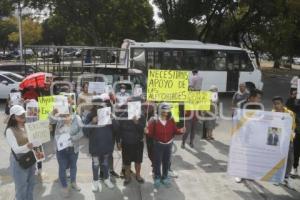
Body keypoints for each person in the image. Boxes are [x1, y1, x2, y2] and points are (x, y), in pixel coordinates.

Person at [145, 103, 185, 188]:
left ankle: (165, 177)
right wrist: (147, 132)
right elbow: (150, 134)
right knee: (157, 162)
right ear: (161, 111)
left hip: (168, 145)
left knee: (166, 162)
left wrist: (181, 130)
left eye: (168, 110)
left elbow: (175, 131)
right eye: (165, 110)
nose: (167, 112)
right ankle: (157, 177)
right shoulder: (154, 120)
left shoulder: (171, 120)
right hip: (158, 145)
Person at [49, 108, 83, 197]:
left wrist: (74, 138)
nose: (66, 115)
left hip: (73, 148)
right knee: (62, 167)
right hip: (61, 149)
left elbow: (82, 131)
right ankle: (64, 186)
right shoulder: (59, 118)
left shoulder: (77, 118)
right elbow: (50, 119)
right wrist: (53, 112)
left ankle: (73, 182)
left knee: (73, 166)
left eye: (68, 113)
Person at [83, 97, 115, 192]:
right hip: (95, 146)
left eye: (100, 105)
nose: (98, 107)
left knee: (105, 164)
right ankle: (95, 182)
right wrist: (92, 122)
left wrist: (113, 118)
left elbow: (116, 128)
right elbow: (85, 131)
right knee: (96, 164)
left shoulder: (107, 114)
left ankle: (106, 179)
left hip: (106, 145)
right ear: (93, 106)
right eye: (96, 105)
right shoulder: (89, 116)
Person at [5, 105, 36, 200]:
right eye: (20, 114)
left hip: (31, 158)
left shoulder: (27, 126)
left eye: (23, 113)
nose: (23, 115)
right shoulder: (10, 130)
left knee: (31, 184)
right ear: (13, 117)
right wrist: (27, 146)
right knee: (21, 188)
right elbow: (16, 149)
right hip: (19, 162)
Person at [235, 89, 263, 183]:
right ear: (252, 97)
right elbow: (237, 118)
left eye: (260, 98)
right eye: (258, 97)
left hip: (253, 134)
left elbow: (260, 118)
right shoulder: (242, 104)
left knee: (251, 155)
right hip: (242, 133)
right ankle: (239, 174)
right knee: (241, 154)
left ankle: (249, 173)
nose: (260, 100)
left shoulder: (259, 106)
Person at [115, 104, 146, 185]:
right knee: (126, 162)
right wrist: (118, 142)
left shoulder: (141, 115)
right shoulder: (122, 116)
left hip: (138, 143)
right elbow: (118, 130)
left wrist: (137, 123)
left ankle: (138, 176)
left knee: (138, 161)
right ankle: (127, 177)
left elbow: (144, 129)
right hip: (126, 143)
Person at [272, 96, 296, 187]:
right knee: (277, 159)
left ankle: (286, 178)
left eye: (278, 103)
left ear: (282, 104)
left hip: (287, 140)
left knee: (290, 159)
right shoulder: (272, 113)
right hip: (277, 140)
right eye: (274, 104)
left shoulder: (290, 113)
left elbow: (292, 126)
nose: (276, 105)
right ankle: (278, 177)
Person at [286, 90, 300, 176]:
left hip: (298, 131)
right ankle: (293, 168)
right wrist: (293, 96)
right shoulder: (296, 104)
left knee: (297, 150)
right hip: (295, 131)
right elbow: (288, 106)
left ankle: (295, 168)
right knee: (294, 150)